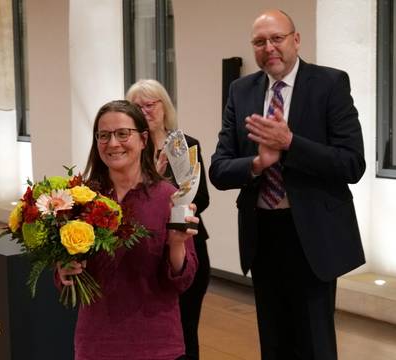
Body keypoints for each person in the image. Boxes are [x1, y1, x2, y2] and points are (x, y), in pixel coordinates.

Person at [209, 9, 365, 360]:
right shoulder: (241, 90)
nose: (269, 48)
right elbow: (218, 169)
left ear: (296, 40)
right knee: (274, 339)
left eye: (276, 38)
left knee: (315, 342)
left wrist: (291, 143)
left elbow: (352, 164)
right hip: (263, 233)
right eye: (260, 42)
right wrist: (257, 163)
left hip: (313, 234)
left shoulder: (330, 84)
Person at [56, 100, 199, 360]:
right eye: (104, 135)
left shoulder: (168, 196)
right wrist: (64, 269)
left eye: (123, 134)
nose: (113, 143)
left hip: (156, 344)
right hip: (96, 342)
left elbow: (181, 280)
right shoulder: (82, 197)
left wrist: (177, 243)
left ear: (144, 139)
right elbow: (66, 277)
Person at [126, 79, 211, 360]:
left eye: (151, 104)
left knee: (186, 329)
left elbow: (204, 199)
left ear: (165, 107)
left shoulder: (185, 146)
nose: (145, 110)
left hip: (185, 246)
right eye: (138, 106)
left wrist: (170, 196)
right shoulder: (128, 150)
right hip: (142, 251)